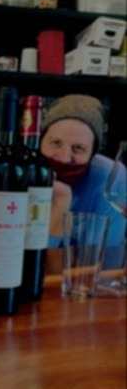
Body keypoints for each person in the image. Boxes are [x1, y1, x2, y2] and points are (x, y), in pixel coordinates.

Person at [41, 94, 126, 270]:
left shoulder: (110, 177)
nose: (65, 158)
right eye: (56, 143)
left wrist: (62, 199)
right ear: (40, 142)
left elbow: (102, 263)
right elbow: (31, 262)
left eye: (78, 148)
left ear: (93, 154)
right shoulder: (16, 173)